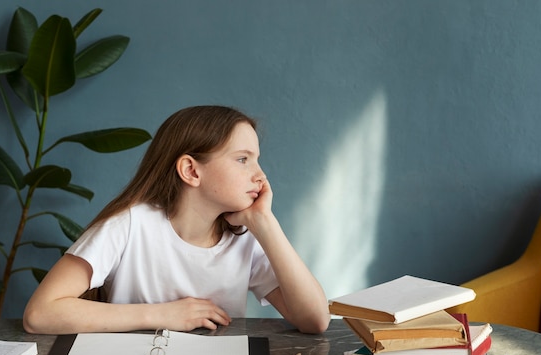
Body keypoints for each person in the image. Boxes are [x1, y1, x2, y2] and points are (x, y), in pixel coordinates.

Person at [23, 105, 330, 335]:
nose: (260, 175)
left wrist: (265, 223)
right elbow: (39, 313)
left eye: (257, 159)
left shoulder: (245, 237)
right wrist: (161, 315)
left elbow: (315, 320)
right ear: (191, 171)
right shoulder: (128, 225)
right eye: (242, 159)